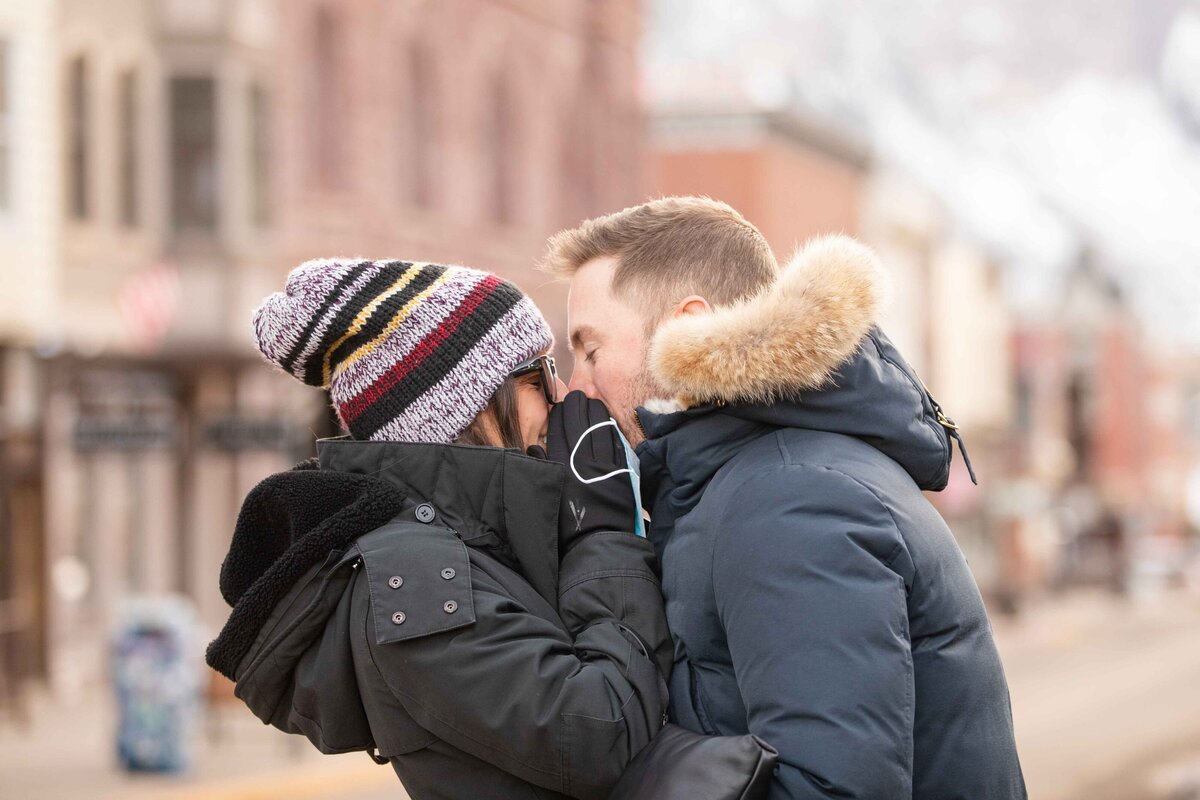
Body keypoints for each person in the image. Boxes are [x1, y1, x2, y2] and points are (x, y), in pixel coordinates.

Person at [542, 197, 1028, 799]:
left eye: (590, 350)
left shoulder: (788, 499)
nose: (575, 389)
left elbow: (828, 790)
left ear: (684, 328)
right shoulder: (744, 484)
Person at [206, 258, 673, 800]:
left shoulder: (472, 549)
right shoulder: (417, 581)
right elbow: (603, 734)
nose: (563, 392)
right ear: (467, 408)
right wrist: (601, 533)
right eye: (539, 374)